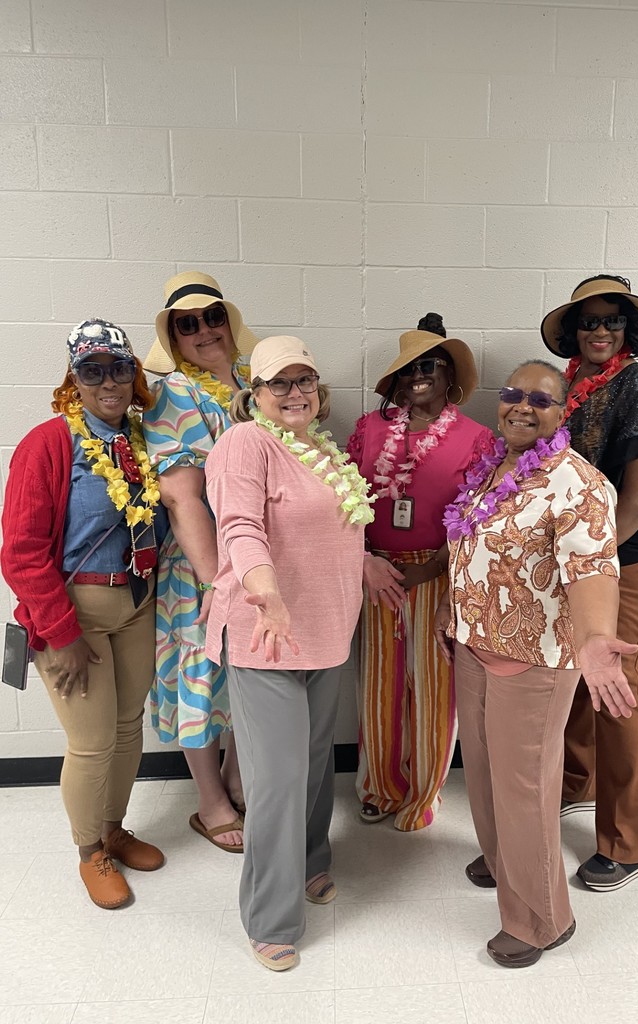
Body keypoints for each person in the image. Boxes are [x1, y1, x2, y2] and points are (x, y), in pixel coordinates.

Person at [434, 359, 638, 967]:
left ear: (562, 410)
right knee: (486, 770)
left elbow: (592, 570)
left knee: (524, 787)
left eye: (540, 400)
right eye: (513, 395)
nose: (522, 407)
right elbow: (468, 545)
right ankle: (502, 861)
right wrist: (455, 613)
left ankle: (541, 917)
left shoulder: (580, 485)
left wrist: (598, 638)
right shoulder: (489, 467)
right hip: (473, 644)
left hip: (536, 660)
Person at [204, 335, 374, 971]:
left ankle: (311, 864)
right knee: (275, 782)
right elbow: (239, 527)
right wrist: (266, 593)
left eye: (304, 381)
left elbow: (331, 535)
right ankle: (271, 918)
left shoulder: (320, 450)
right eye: (280, 383)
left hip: (326, 634)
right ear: (256, 393)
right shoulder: (245, 444)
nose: (295, 392)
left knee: (311, 764)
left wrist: (371, 565)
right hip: (264, 635)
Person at [1, 320, 165, 909]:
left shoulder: (145, 440)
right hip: (75, 615)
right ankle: (87, 848)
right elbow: (19, 553)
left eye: (120, 368)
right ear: (74, 377)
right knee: (92, 742)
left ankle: (113, 829)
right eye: (93, 370)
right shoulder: (49, 443)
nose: (109, 382)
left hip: (137, 603)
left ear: (134, 375)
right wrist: (60, 634)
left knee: (127, 726)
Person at [541, 275, 638, 891]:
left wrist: (589, 557)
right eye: (588, 323)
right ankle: (580, 782)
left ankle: (631, 842)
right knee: (573, 670)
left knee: (617, 685)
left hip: (622, 554)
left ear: (628, 332)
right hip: (576, 551)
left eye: (611, 323)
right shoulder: (569, 385)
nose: (599, 332)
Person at [347, 313, 494, 831]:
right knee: (378, 687)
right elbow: (343, 500)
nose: (417, 377)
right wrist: (366, 559)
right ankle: (379, 786)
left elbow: (479, 519)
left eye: (428, 366)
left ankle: (423, 792)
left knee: (433, 689)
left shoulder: (477, 439)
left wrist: (435, 571)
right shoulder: (369, 429)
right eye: (407, 370)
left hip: (437, 576)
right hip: (376, 575)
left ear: (449, 372)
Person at [142, 271, 259, 853]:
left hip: (259, 555)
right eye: (188, 325)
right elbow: (181, 494)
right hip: (202, 565)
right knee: (200, 671)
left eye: (212, 317)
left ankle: (240, 777)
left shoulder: (255, 381)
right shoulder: (172, 393)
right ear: (174, 336)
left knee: (252, 668)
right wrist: (218, 579)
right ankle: (211, 801)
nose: (204, 331)